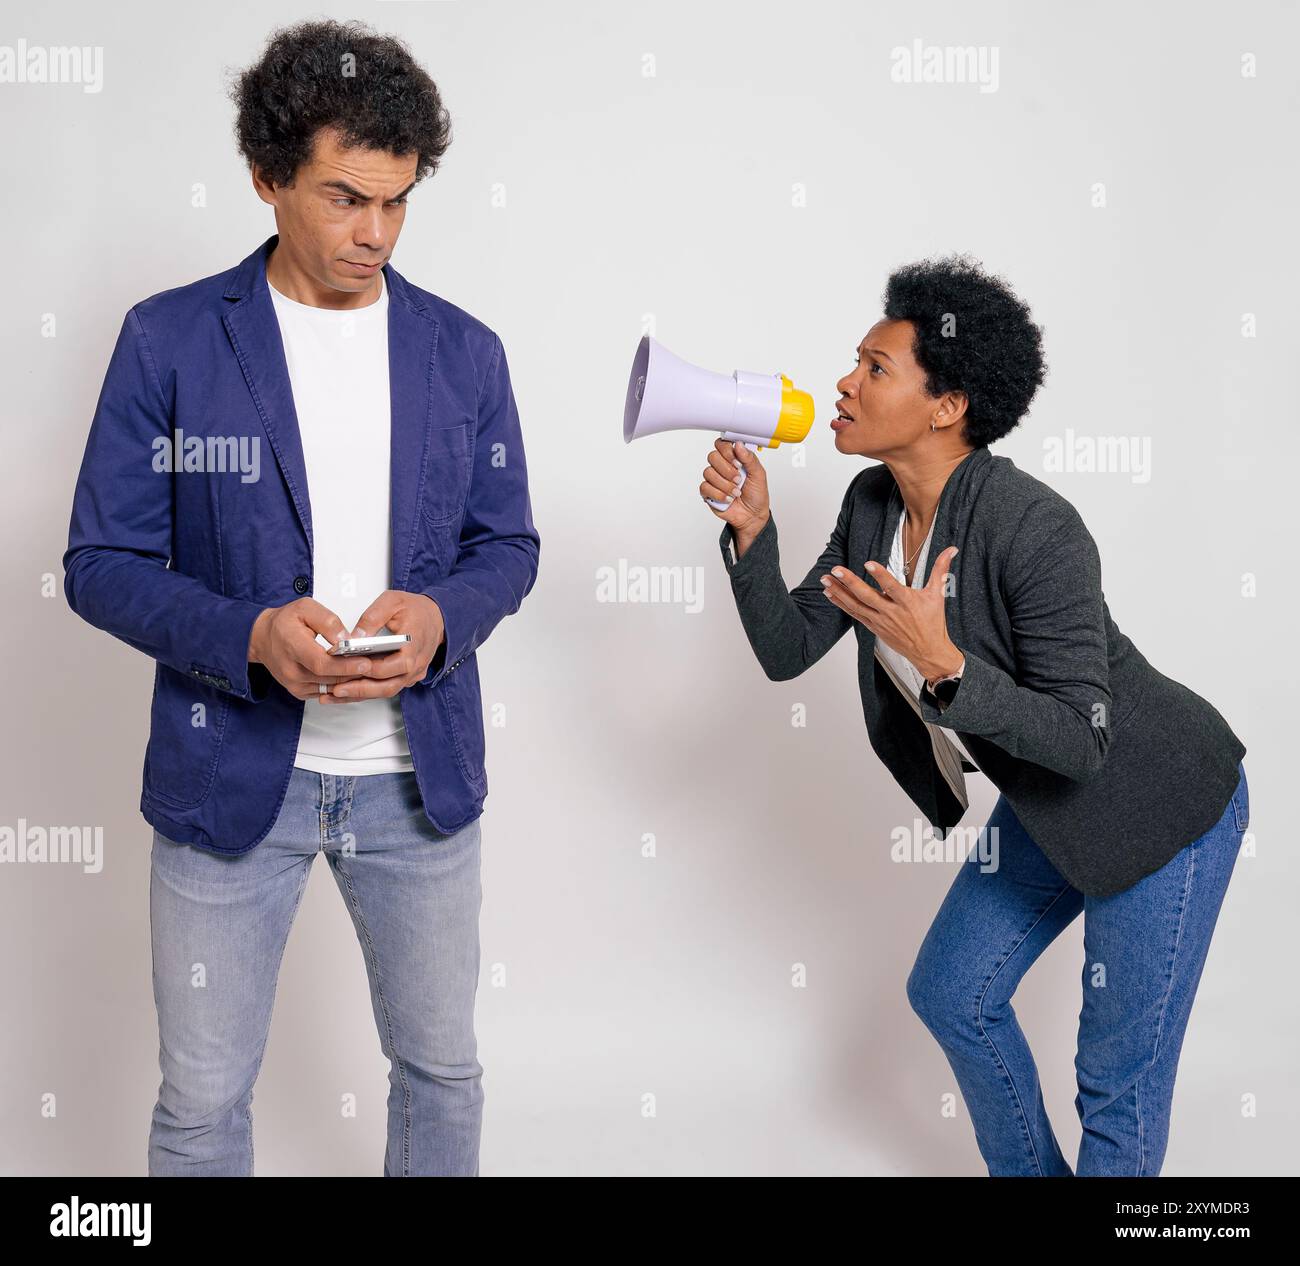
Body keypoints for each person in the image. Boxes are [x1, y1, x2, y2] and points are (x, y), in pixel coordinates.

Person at [61, 18, 540, 1176]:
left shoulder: (464, 352)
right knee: (202, 1100)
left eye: (397, 202)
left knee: (441, 1077)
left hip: (414, 784)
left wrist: (443, 617)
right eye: (342, 199)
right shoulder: (168, 340)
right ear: (268, 178)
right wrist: (249, 636)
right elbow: (98, 564)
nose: (373, 233)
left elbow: (508, 544)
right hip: (230, 777)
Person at [708, 254, 1248, 1177]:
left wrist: (947, 666)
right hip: (1047, 804)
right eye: (856, 362)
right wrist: (754, 532)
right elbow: (788, 649)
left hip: (1161, 806)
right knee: (954, 994)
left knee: (1115, 1084)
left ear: (946, 406)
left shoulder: (1036, 527)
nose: (843, 381)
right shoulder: (872, 504)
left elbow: (1082, 738)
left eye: (875, 369)